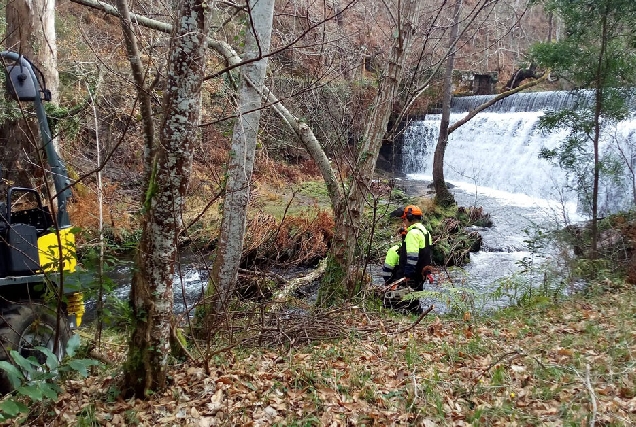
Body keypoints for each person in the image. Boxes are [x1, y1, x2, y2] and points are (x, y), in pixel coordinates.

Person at [389, 205, 433, 291]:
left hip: (411, 276)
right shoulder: (425, 232)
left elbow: (412, 257)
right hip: (421, 275)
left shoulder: (413, 233)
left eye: (404, 219)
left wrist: (407, 275)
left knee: (403, 302)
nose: (404, 222)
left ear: (409, 218)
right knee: (415, 299)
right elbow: (427, 255)